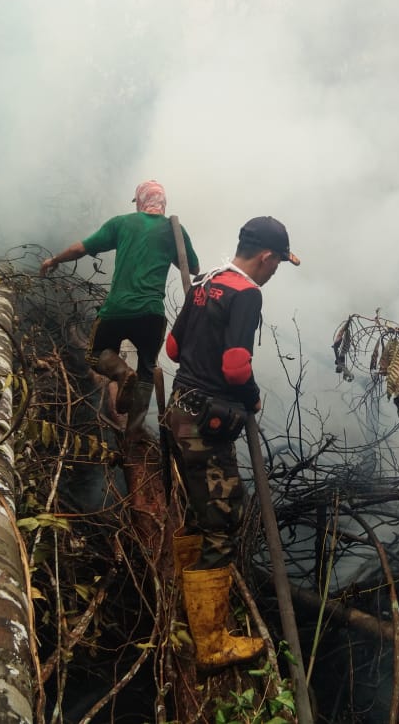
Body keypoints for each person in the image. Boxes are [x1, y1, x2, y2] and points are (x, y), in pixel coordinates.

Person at [164, 215, 299, 670]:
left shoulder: (205, 281)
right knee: (223, 517)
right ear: (265, 258)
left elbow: (173, 349)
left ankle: (187, 606)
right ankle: (211, 643)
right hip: (206, 424)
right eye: (279, 262)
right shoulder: (247, 294)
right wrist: (252, 398)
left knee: (198, 510)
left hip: (178, 410)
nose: (277, 270)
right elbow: (238, 367)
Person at [40, 180, 200, 435]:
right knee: (147, 371)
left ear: (139, 202)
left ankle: (121, 372)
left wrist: (55, 259)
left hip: (117, 310)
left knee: (95, 355)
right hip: (152, 314)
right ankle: (134, 433)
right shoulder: (175, 230)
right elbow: (192, 268)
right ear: (163, 203)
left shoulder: (122, 223)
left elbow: (80, 248)